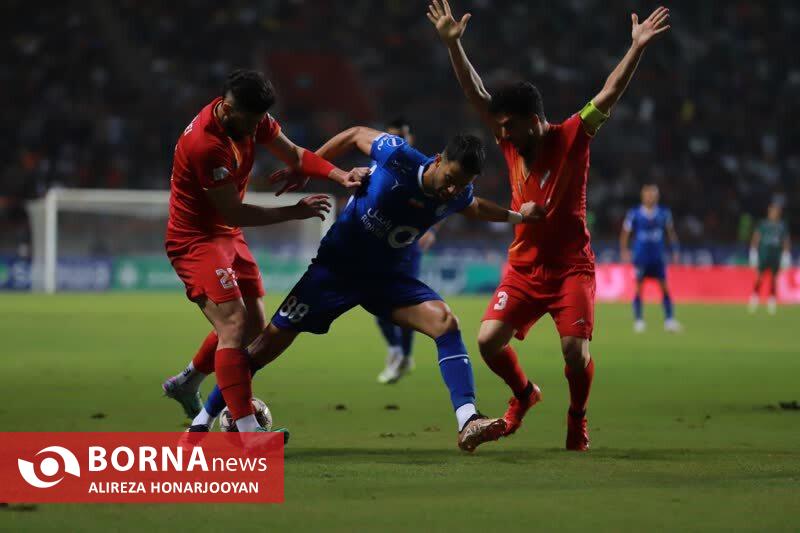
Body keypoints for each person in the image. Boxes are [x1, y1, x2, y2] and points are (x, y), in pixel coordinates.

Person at [188, 126, 543, 452]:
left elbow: (475, 206)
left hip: (385, 279)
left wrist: (518, 217)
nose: (452, 190)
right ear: (438, 160)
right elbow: (356, 133)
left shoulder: (457, 193)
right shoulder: (399, 156)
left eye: (460, 184)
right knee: (263, 347)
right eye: (450, 179)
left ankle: (468, 419)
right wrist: (310, 166)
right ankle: (200, 424)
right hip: (335, 271)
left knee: (446, 324)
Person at [428, 0, 670, 450]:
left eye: (507, 127)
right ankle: (524, 395)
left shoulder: (574, 135)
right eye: (498, 128)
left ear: (535, 122)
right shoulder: (509, 144)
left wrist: (636, 47)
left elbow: (609, 93)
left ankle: (577, 418)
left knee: (575, 354)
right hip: (523, 267)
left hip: (570, 268)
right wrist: (453, 46)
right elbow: (476, 94)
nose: (500, 136)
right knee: (487, 341)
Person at [161, 69, 369, 433]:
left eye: (262, 119)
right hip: (195, 239)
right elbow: (234, 211)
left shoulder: (248, 118)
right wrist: (296, 211)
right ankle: (248, 432)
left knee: (254, 326)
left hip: (227, 235)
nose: (259, 126)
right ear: (227, 109)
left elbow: (294, 154)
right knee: (234, 324)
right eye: (252, 119)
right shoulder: (206, 146)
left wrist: (338, 175)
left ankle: (188, 381)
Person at [620, 184, 682, 333]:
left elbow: (670, 232)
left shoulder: (664, 213)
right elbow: (625, 233)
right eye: (648, 194)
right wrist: (624, 250)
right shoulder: (634, 214)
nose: (650, 197)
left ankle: (669, 320)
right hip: (641, 257)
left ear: (657, 196)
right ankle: (639, 320)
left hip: (658, 258)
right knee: (639, 288)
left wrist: (675, 249)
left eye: (653, 194)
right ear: (643, 196)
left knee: (665, 288)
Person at [749, 203, 792, 314]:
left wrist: (786, 255)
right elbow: (756, 237)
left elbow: (785, 241)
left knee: (774, 279)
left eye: (776, 212)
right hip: (764, 254)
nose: (774, 214)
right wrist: (753, 252)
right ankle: (755, 297)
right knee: (759, 276)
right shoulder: (763, 224)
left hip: (776, 255)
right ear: (769, 212)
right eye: (772, 211)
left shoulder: (782, 226)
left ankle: (771, 300)